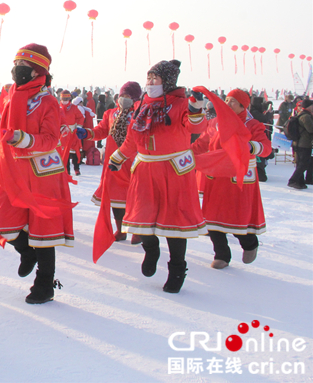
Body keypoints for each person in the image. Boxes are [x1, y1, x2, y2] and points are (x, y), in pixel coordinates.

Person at [0, 43, 73, 305]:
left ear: (37, 72)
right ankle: (26, 251)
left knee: (44, 233)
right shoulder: (12, 98)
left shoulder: (48, 101)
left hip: (42, 173)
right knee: (4, 224)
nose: (17, 70)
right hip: (13, 169)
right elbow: (2, 137)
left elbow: (51, 139)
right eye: (16, 65)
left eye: (24, 67)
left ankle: (45, 283)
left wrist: (23, 138)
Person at [107, 60, 208, 293]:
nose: (150, 82)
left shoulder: (181, 103)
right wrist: (118, 157)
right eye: (149, 78)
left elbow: (196, 127)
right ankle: (151, 249)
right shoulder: (143, 104)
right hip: (145, 169)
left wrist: (195, 109)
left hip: (173, 171)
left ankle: (177, 267)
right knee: (142, 218)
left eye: (155, 78)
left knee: (174, 223)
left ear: (168, 81)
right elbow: (133, 138)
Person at [192, 89, 271, 268]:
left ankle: (249, 243)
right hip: (216, 175)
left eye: (233, 101)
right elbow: (201, 144)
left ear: (243, 106)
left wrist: (250, 147)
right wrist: (185, 154)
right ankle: (222, 254)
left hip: (239, 178)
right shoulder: (215, 123)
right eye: (226, 99)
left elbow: (266, 147)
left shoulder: (252, 125)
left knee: (238, 215)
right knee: (211, 216)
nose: (227, 103)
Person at [78, 81, 142, 242]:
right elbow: (101, 131)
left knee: (136, 197)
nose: (123, 99)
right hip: (113, 162)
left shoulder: (140, 114)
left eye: (128, 96)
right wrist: (87, 133)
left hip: (133, 162)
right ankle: (121, 229)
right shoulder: (111, 113)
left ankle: (137, 230)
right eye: (122, 95)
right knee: (116, 198)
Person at [287, 100, 313, 189]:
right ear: (309, 107)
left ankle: (300, 182)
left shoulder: (303, 114)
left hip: (300, 143)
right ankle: (293, 180)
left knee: (301, 163)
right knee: (303, 164)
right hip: (303, 144)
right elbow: (311, 129)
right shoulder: (305, 116)